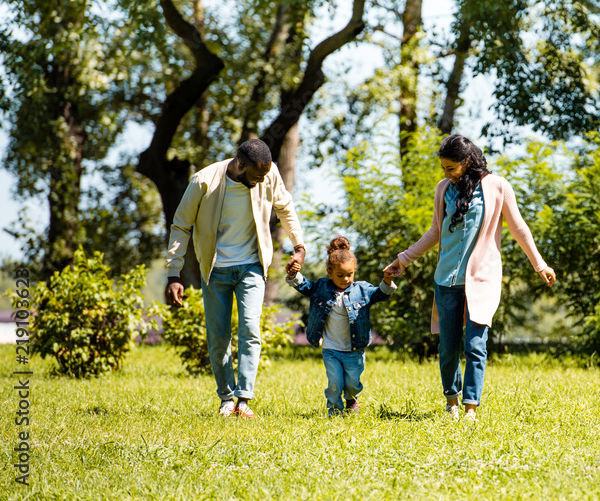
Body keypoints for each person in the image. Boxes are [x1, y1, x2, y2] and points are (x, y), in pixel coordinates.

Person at [383, 134, 556, 421]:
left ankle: (470, 408)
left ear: (467, 161)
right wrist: (404, 259)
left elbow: (519, 228)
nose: (447, 174)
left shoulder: (497, 186)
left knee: (475, 345)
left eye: (451, 168)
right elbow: (435, 231)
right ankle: (451, 401)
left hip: (482, 279)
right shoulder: (443, 189)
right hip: (447, 279)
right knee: (448, 347)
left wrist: (540, 264)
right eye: (444, 169)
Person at [164, 138, 306, 418]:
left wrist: (299, 246)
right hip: (215, 269)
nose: (261, 181)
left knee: (251, 329)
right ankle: (226, 398)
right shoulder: (204, 181)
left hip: (251, 265)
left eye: (265, 176)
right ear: (240, 165)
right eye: (255, 177)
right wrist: (173, 273)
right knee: (218, 337)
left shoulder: (268, 174)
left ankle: (244, 399)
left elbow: (285, 207)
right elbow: (181, 225)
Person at [286, 237, 397, 416]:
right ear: (330, 272)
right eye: (340, 275)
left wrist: (387, 279)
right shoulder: (322, 287)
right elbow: (305, 286)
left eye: (350, 274)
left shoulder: (362, 290)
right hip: (331, 349)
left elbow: (381, 294)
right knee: (335, 382)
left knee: (352, 383)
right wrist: (293, 275)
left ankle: (351, 398)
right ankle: (334, 410)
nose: (346, 279)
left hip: (354, 350)